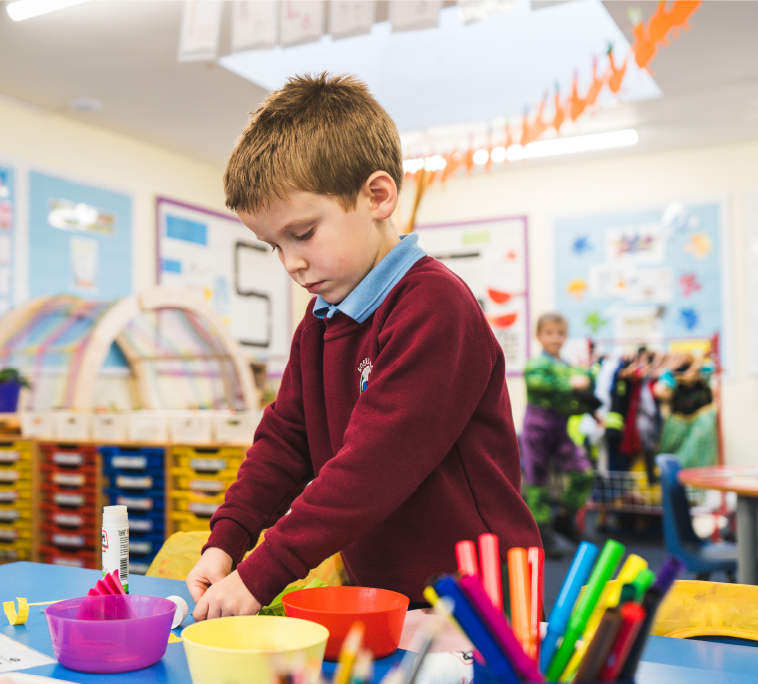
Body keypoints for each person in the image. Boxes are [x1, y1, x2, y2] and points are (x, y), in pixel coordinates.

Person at [185, 73, 540, 620]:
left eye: (303, 234)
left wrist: (263, 571)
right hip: (388, 593)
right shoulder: (322, 318)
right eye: (273, 245)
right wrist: (227, 540)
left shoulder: (434, 305)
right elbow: (286, 439)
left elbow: (374, 466)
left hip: (480, 597)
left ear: (378, 196)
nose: (291, 262)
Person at [521, 313, 597, 556]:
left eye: (560, 333)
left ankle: (564, 520)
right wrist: (570, 383)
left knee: (583, 472)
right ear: (539, 336)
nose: (555, 338)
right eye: (550, 333)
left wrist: (592, 410)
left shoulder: (567, 365)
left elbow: (582, 390)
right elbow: (537, 383)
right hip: (537, 427)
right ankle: (541, 534)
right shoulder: (537, 364)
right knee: (537, 480)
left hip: (560, 428)